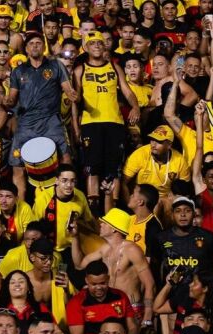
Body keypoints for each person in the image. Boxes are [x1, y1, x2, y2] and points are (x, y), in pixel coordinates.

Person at [72, 31, 138, 212]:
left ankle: (113, 207)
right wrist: (76, 129)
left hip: (114, 122)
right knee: (92, 166)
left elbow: (127, 91)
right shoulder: (80, 70)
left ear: (105, 46)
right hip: (90, 123)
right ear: (86, 47)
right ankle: (93, 206)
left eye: (99, 43)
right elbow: (75, 102)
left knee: (114, 167)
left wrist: (135, 106)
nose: (96, 46)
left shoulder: (115, 67)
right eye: (92, 43)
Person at [6, 30, 78, 194]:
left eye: (38, 43)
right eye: (31, 44)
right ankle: (21, 207)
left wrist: (72, 95)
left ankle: (65, 197)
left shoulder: (55, 66)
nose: (35, 46)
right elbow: (12, 97)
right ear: (25, 49)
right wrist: (7, 101)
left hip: (51, 121)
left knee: (66, 158)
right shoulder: (18, 71)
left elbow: (68, 89)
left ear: (44, 46)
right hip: (26, 123)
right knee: (17, 165)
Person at [71, 209, 155, 334]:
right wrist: (74, 237)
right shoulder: (104, 250)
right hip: (112, 305)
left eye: (104, 223)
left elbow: (150, 284)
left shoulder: (132, 250)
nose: (100, 225)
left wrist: (148, 316)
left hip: (132, 307)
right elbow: (79, 264)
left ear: (114, 229)